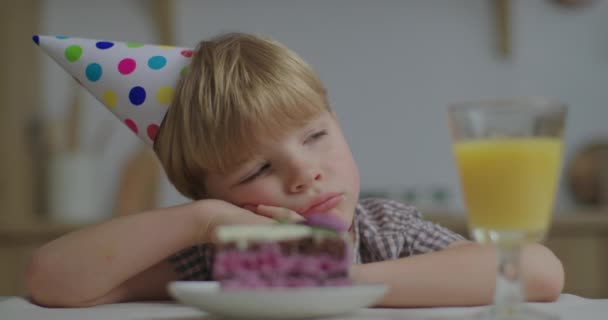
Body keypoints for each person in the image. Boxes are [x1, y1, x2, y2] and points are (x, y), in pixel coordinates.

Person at [27, 32, 564, 308]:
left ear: (338, 121)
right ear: (212, 194)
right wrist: (202, 221)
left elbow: (537, 273)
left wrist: (333, 277)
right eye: (257, 168)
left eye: (315, 136)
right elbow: (49, 281)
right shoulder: (217, 257)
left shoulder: (382, 233)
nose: (305, 174)